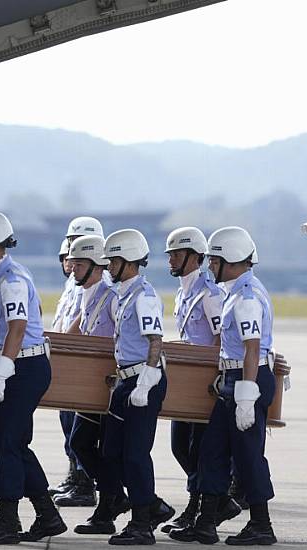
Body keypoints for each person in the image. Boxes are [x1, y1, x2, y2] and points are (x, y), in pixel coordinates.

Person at [170, 226, 277, 545]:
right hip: (233, 379)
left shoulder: (245, 298)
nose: (209, 266)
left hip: (249, 380)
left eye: (214, 260)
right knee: (210, 452)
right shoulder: (236, 290)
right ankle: (205, 522)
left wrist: (245, 395)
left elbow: (252, 348)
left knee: (247, 456)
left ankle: (262, 525)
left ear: (229, 261)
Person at [0, 211, 66, 545]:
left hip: (22, 368)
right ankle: (47, 514)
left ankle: (8, 520)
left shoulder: (10, 280)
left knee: (7, 442)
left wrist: (0, 373)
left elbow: (19, 328)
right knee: (6, 441)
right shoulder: (3, 275)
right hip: (19, 365)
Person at [160, 227, 243, 534]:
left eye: (177, 254)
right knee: (180, 446)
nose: (171, 259)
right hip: (186, 383)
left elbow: (221, 340)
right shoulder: (184, 291)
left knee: (197, 449)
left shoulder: (210, 294)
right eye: (170, 254)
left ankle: (200, 507)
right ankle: (213, 503)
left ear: (195, 258)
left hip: (206, 385)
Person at [98, 228, 175, 545]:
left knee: (135, 454)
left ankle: (142, 523)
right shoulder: (125, 294)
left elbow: (155, 339)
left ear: (125, 261)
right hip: (127, 379)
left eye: (111, 261)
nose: (107, 267)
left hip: (144, 379)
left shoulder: (143, 295)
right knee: (112, 452)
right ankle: (153, 506)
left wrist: (146, 379)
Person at [58, 235, 127, 531]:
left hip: (107, 389)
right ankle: (111, 500)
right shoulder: (89, 295)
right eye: (73, 263)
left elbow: (125, 341)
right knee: (81, 444)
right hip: (90, 388)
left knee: (90, 445)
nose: (72, 268)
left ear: (98, 266)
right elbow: (72, 337)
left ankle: (115, 503)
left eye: (80, 264)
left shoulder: (111, 298)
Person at [52, 216, 105, 506]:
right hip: (67, 357)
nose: (73, 251)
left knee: (79, 428)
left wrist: (60, 346)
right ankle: (75, 476)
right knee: (67, 421)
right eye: (70, 243)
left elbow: (83, 321)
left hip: (80, 360)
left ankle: (85, 484)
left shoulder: (99, 278)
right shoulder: (75, 281)